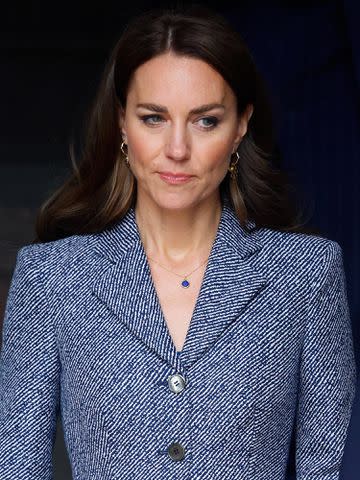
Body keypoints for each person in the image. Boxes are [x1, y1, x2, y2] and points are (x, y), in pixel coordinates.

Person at [0, 5, 356, 479]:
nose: (177, 149)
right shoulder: (51, 278)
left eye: (205, 120)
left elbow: (325, 469)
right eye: (153, 118)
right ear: (122, 122)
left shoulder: (307, 274)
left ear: (240, 125)